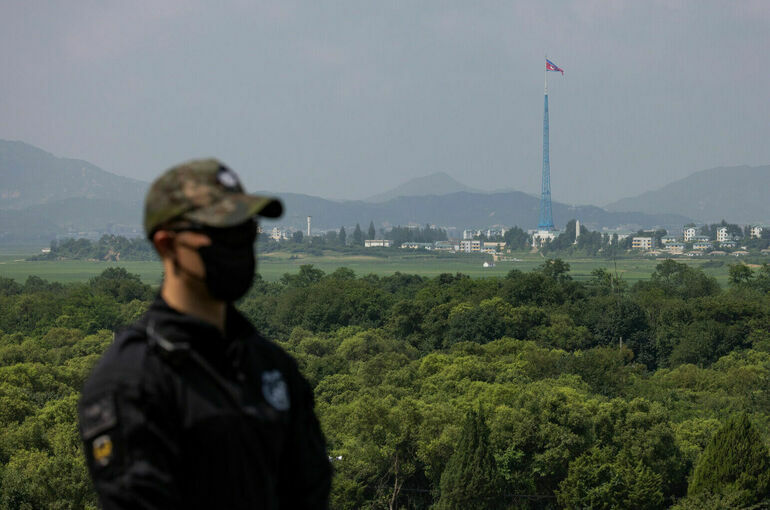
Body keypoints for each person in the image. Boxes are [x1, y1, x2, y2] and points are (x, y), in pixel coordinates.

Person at [78, 159, 332, 509]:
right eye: (221, 233)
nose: (239, 243)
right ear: (167, 245)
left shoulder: (272, 366)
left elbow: (310, 492)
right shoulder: (133, 381)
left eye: (245, 229)